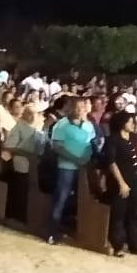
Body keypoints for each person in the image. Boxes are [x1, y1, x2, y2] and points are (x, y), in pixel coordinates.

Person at [47, 97, 96, 245]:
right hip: (66, 167)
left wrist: (86, 158)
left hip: (83, 168)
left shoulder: (88, 126)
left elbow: (90, 145)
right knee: (61, 198)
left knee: (80, 199)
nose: (80, 110)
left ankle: (73, 230)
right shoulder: (61, 125)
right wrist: (75, 159)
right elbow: (57, 147)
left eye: (83, 107)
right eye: (77, 107)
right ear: (71, 108)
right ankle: (52, 232)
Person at [102, 110, 137, 257]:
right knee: (119, 213)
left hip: (135, 179)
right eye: (130, 121)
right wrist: (121, 182)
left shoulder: (133, 137)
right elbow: (111, 162)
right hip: (121, 180)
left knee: (133, 213)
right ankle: (117, 245)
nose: (133, 124)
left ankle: (135, 245)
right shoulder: (113, 140)